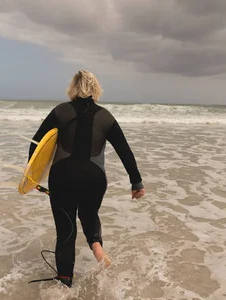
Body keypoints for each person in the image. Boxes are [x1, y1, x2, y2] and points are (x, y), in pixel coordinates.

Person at [28, 70, 145, 287]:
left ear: (72, 87)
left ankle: (65, 282)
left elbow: (36, 144)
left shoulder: (60, 111)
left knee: (66, 230)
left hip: (63, 176)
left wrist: (32, 177)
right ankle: (96, 246)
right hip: (94, 178)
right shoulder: (106, 116)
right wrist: (136, 182)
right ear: (96, 89)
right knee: (89, 214)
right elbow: (124, 151)